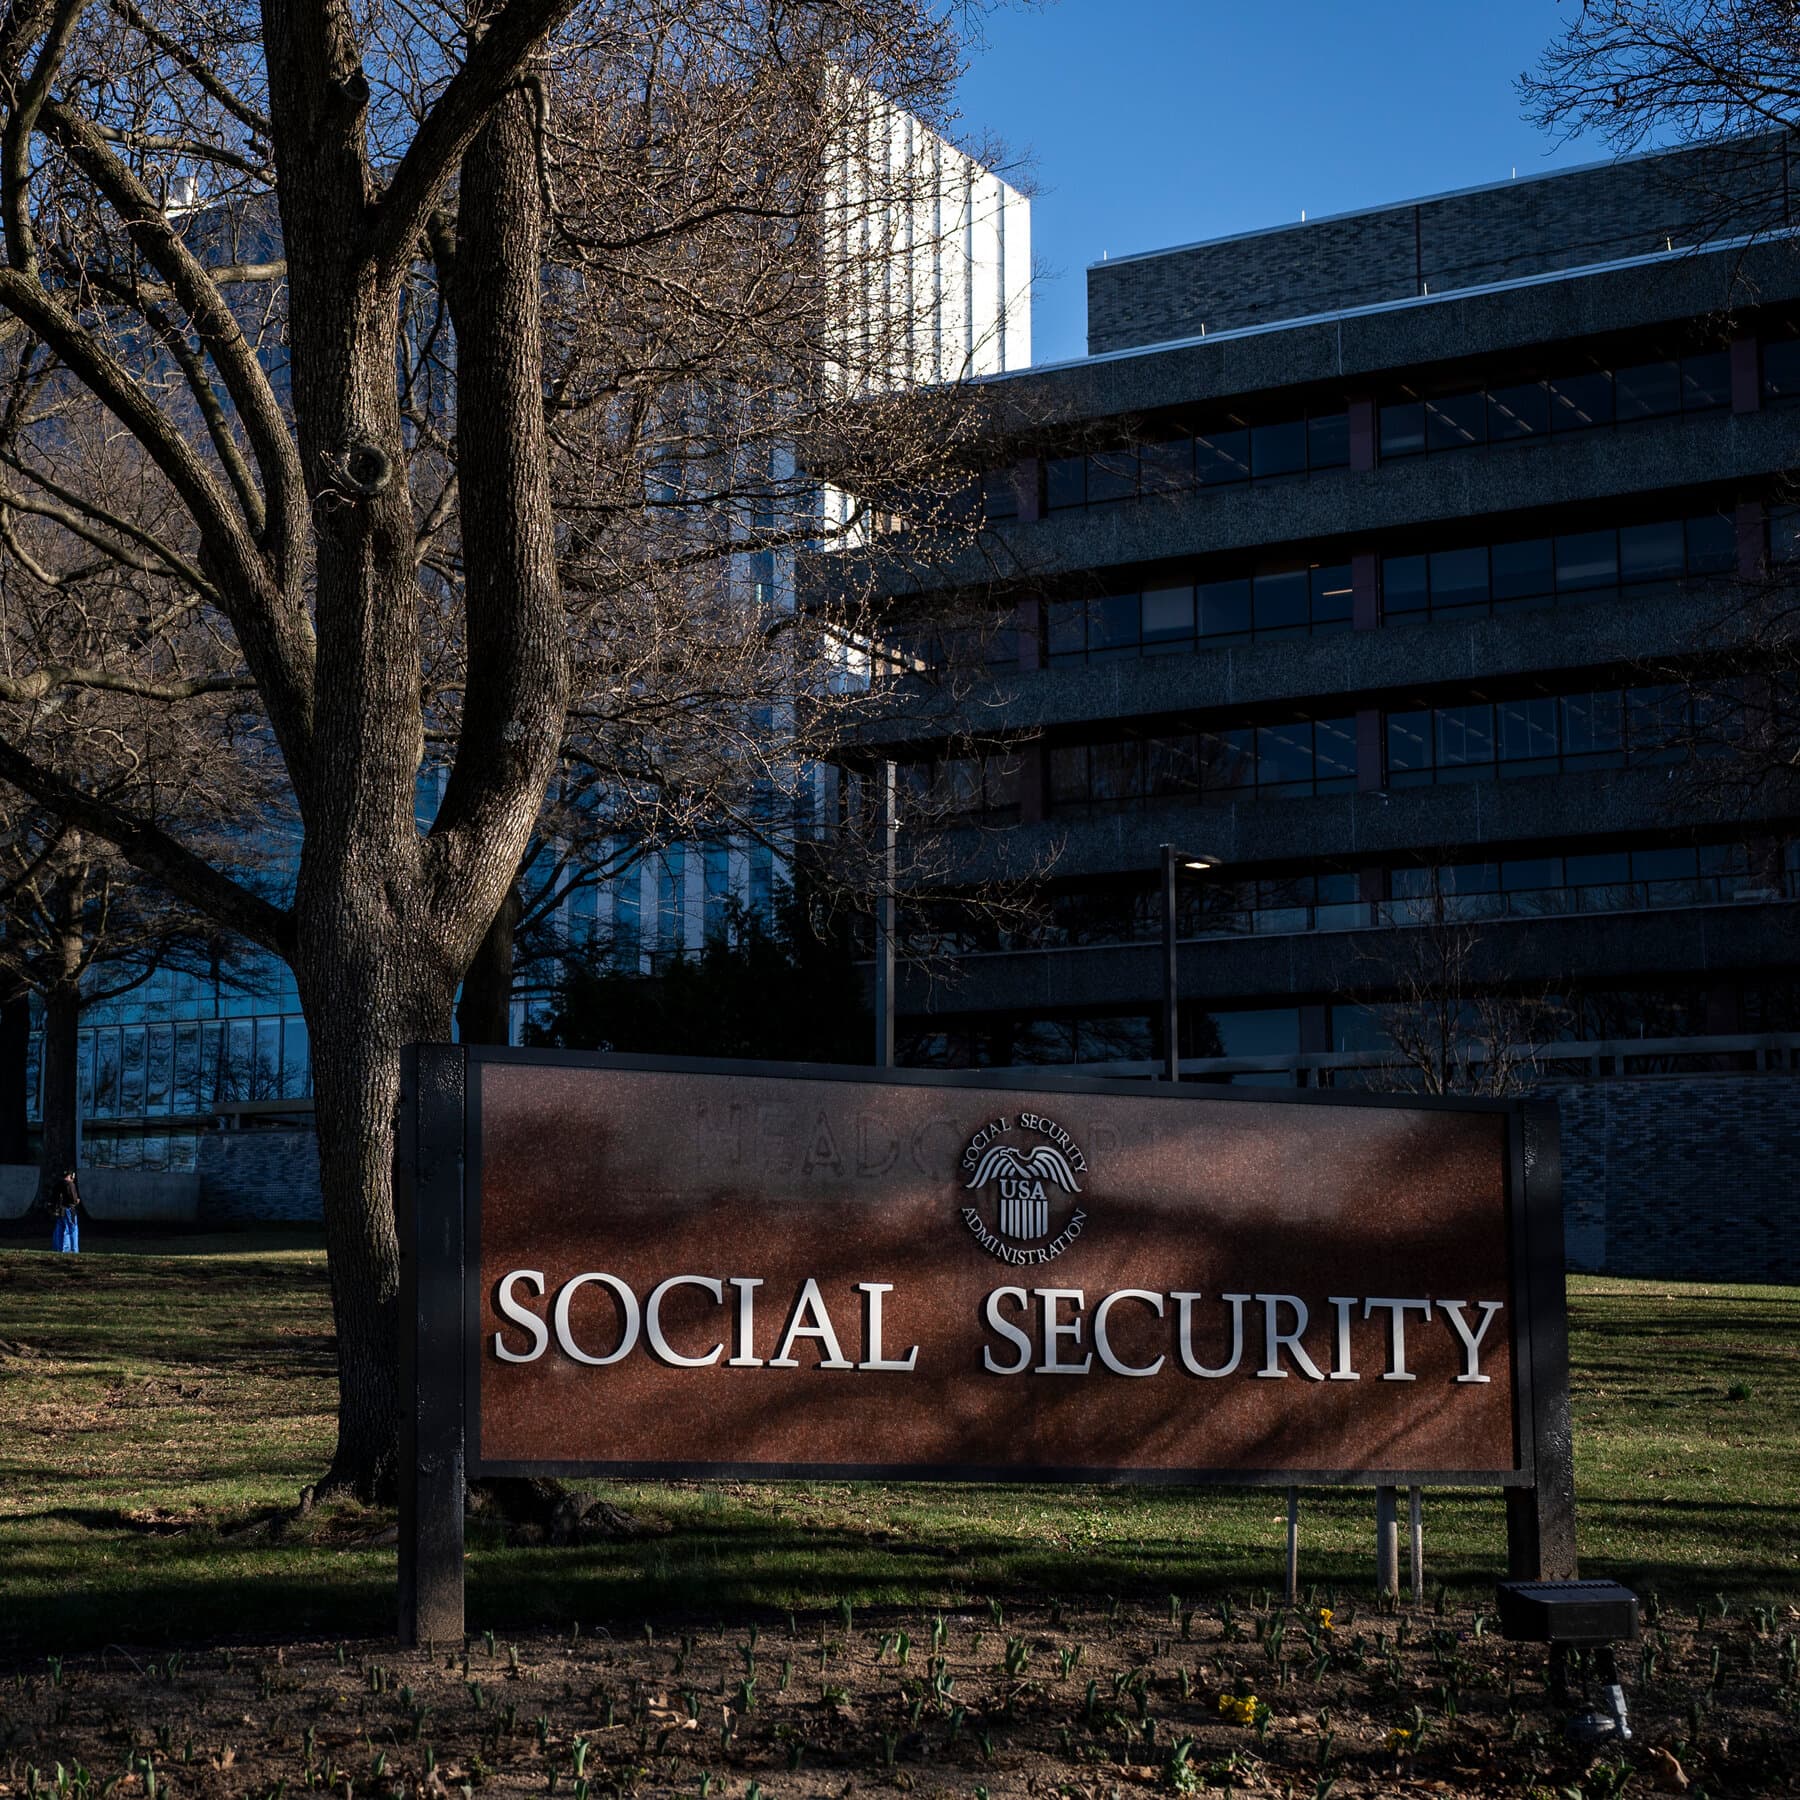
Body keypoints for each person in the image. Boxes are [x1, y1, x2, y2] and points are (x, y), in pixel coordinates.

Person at [51, 1168, 81, 1254]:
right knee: (72, 1229)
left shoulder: (58, 1184)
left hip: (60, 1210)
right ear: (71, 1176)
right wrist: (77, 1200)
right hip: (69, 1210)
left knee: (60, 1229)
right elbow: (74, 1199)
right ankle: (72, 1250)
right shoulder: (70, 1184)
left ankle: (59, 1249)